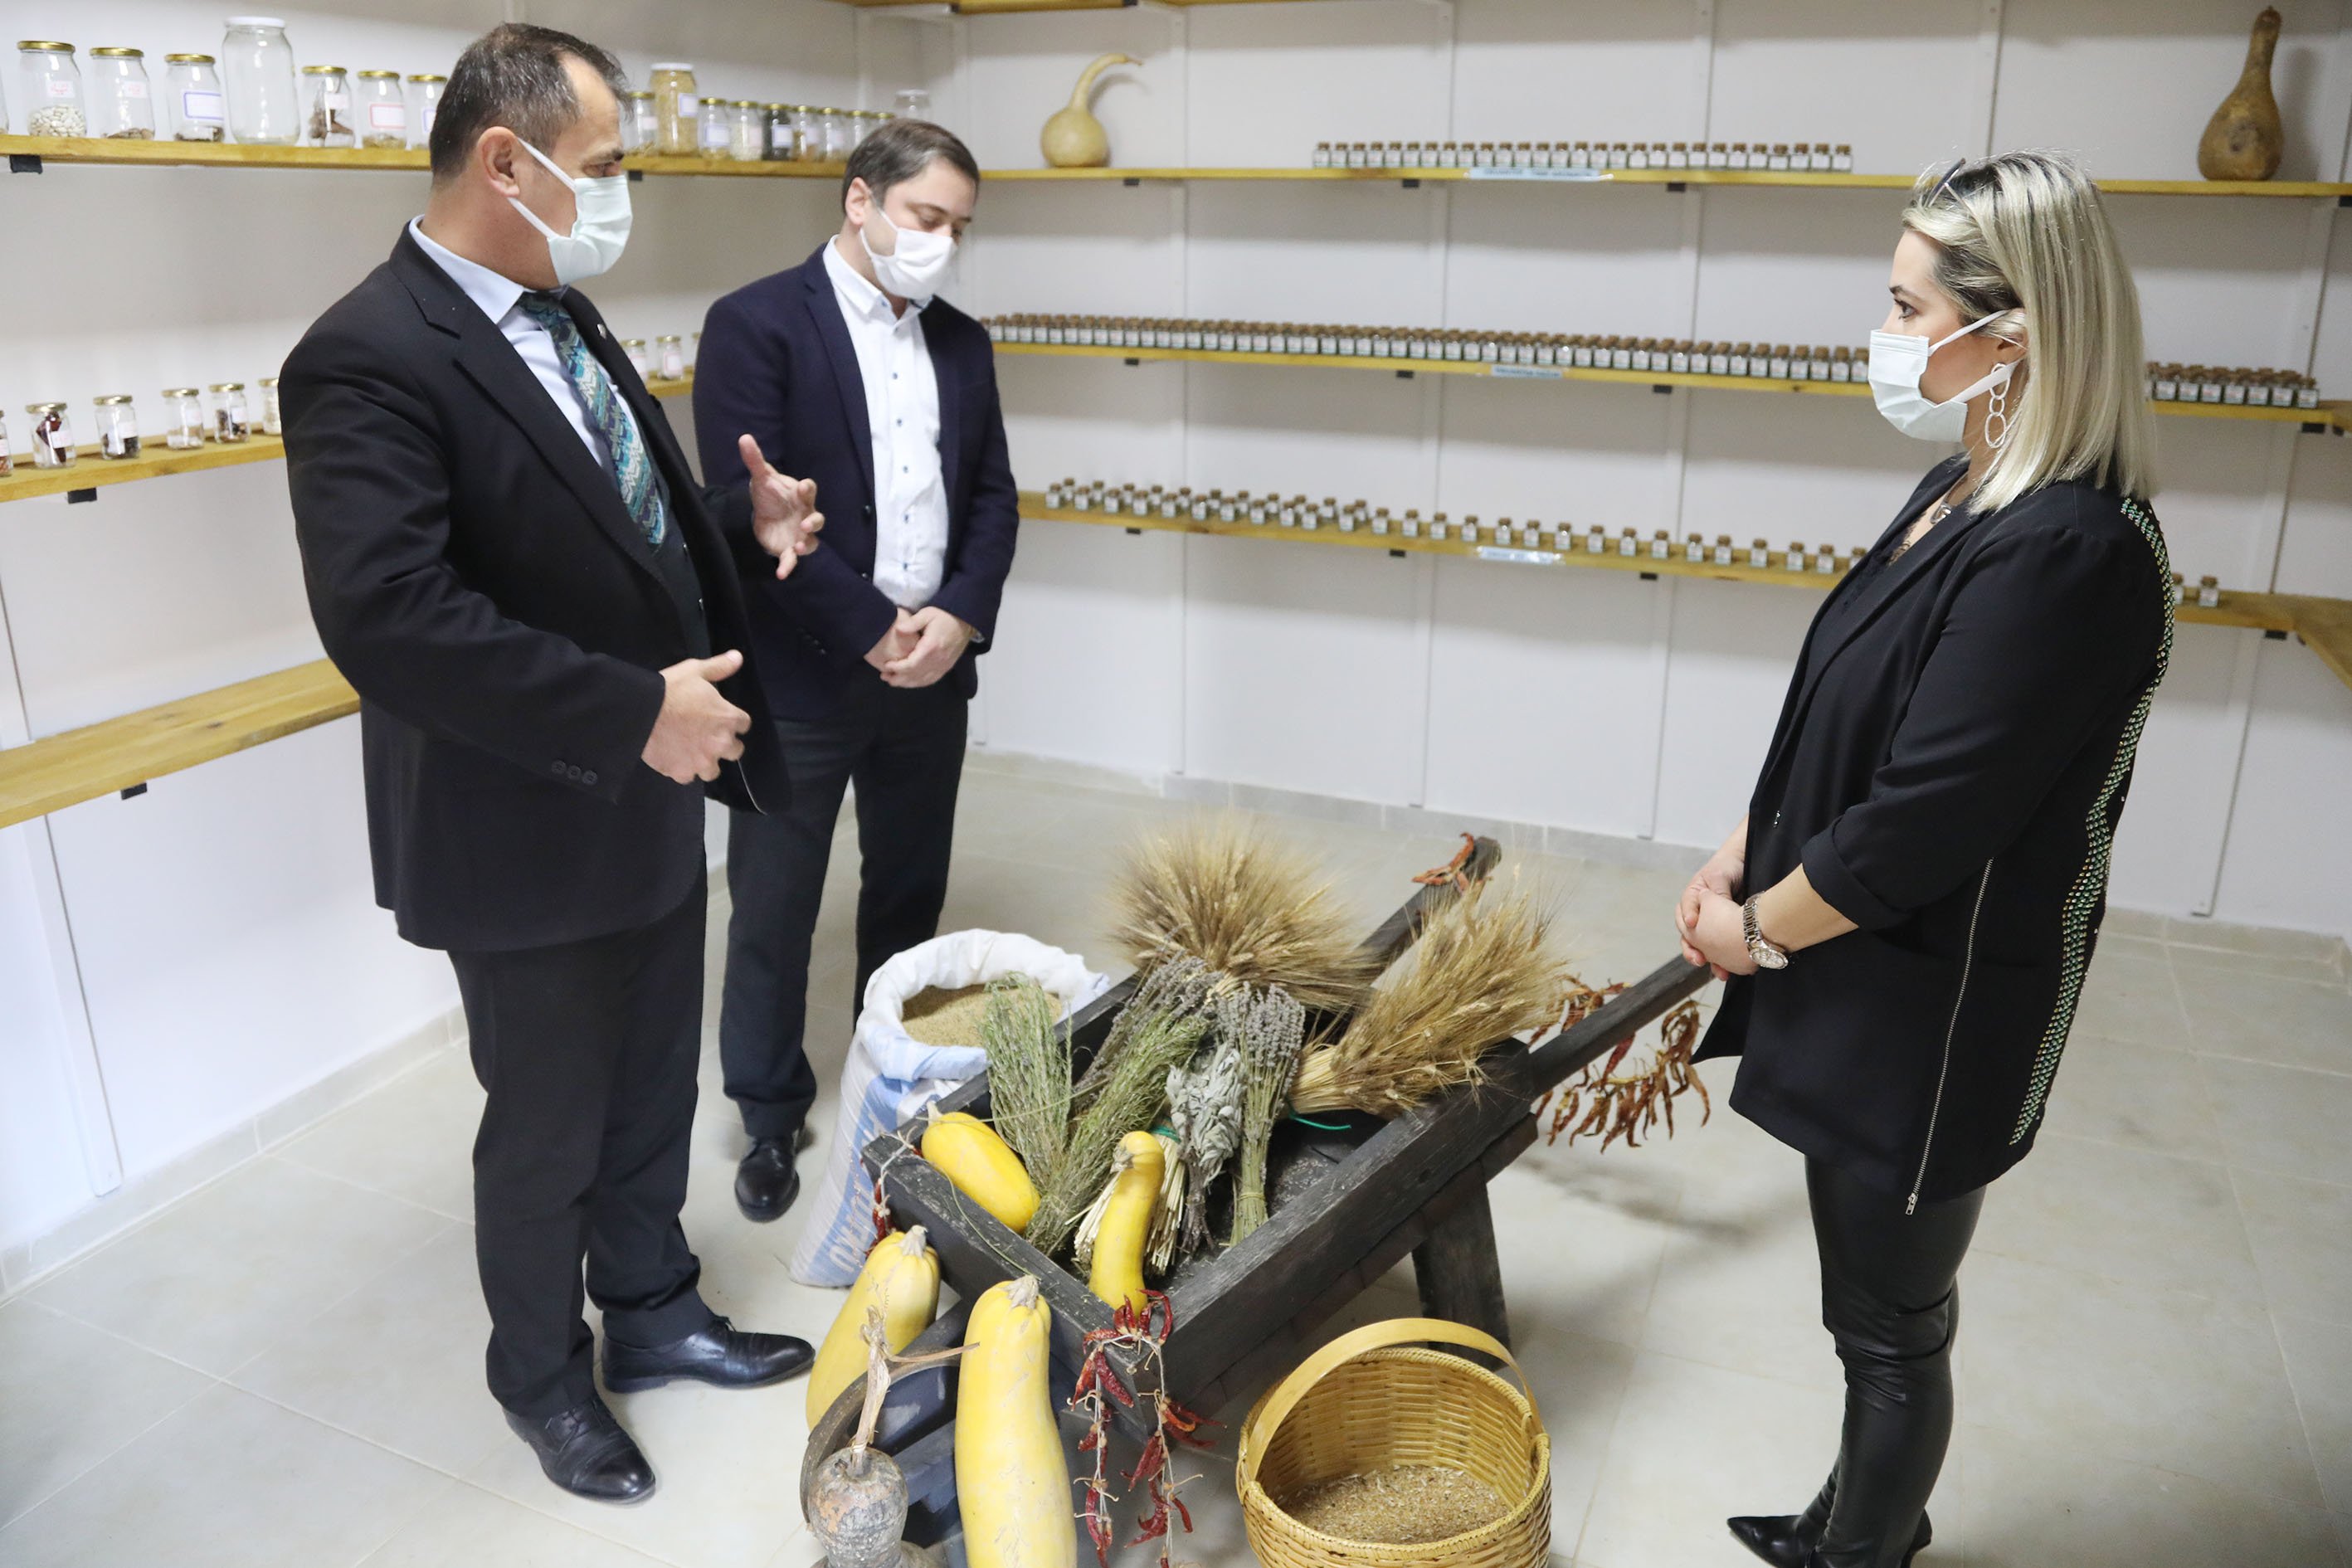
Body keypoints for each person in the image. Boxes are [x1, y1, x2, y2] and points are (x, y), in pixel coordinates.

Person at [283, 23, 830, 1506]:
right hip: (520, 818)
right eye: (603, 165)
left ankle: (653, 1309)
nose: (618, 193)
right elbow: (390, 618)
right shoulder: (365, 354)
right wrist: (629, 713)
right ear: (505, 163)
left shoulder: (559, 309)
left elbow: (607, 523)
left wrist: (737, 524)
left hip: (647, 794)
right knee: (547, 1127)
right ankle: (540, 1376)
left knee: (651, 1087)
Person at [1672, 151, 2173, 1568]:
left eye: (1907, 307)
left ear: (2011, 336)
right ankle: (1847, 1518)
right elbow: (1843, 707)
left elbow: (1918, 823)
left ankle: (1865, 1549)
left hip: (1935, 1007)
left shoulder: (2068, 553)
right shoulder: (1969, 490)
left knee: (1891, 1326)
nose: (1885, 331)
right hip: (1862, 962)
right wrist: (1740, 854)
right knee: (1863, 1305)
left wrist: (1756, 932)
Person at [694, 119, 1019, 1222]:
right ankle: (768, 1110)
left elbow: (993, 499)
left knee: (909, 889)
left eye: (960, 227)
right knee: (773, 906)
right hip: (803, 674)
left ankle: (898, 1079)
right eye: (927, 217)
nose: (943, 243)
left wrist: (959, 618)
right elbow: (750, 515)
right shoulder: (755, 325)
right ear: (860, 200)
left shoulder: (963, 343)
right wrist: (874, 628)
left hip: (933, 669)